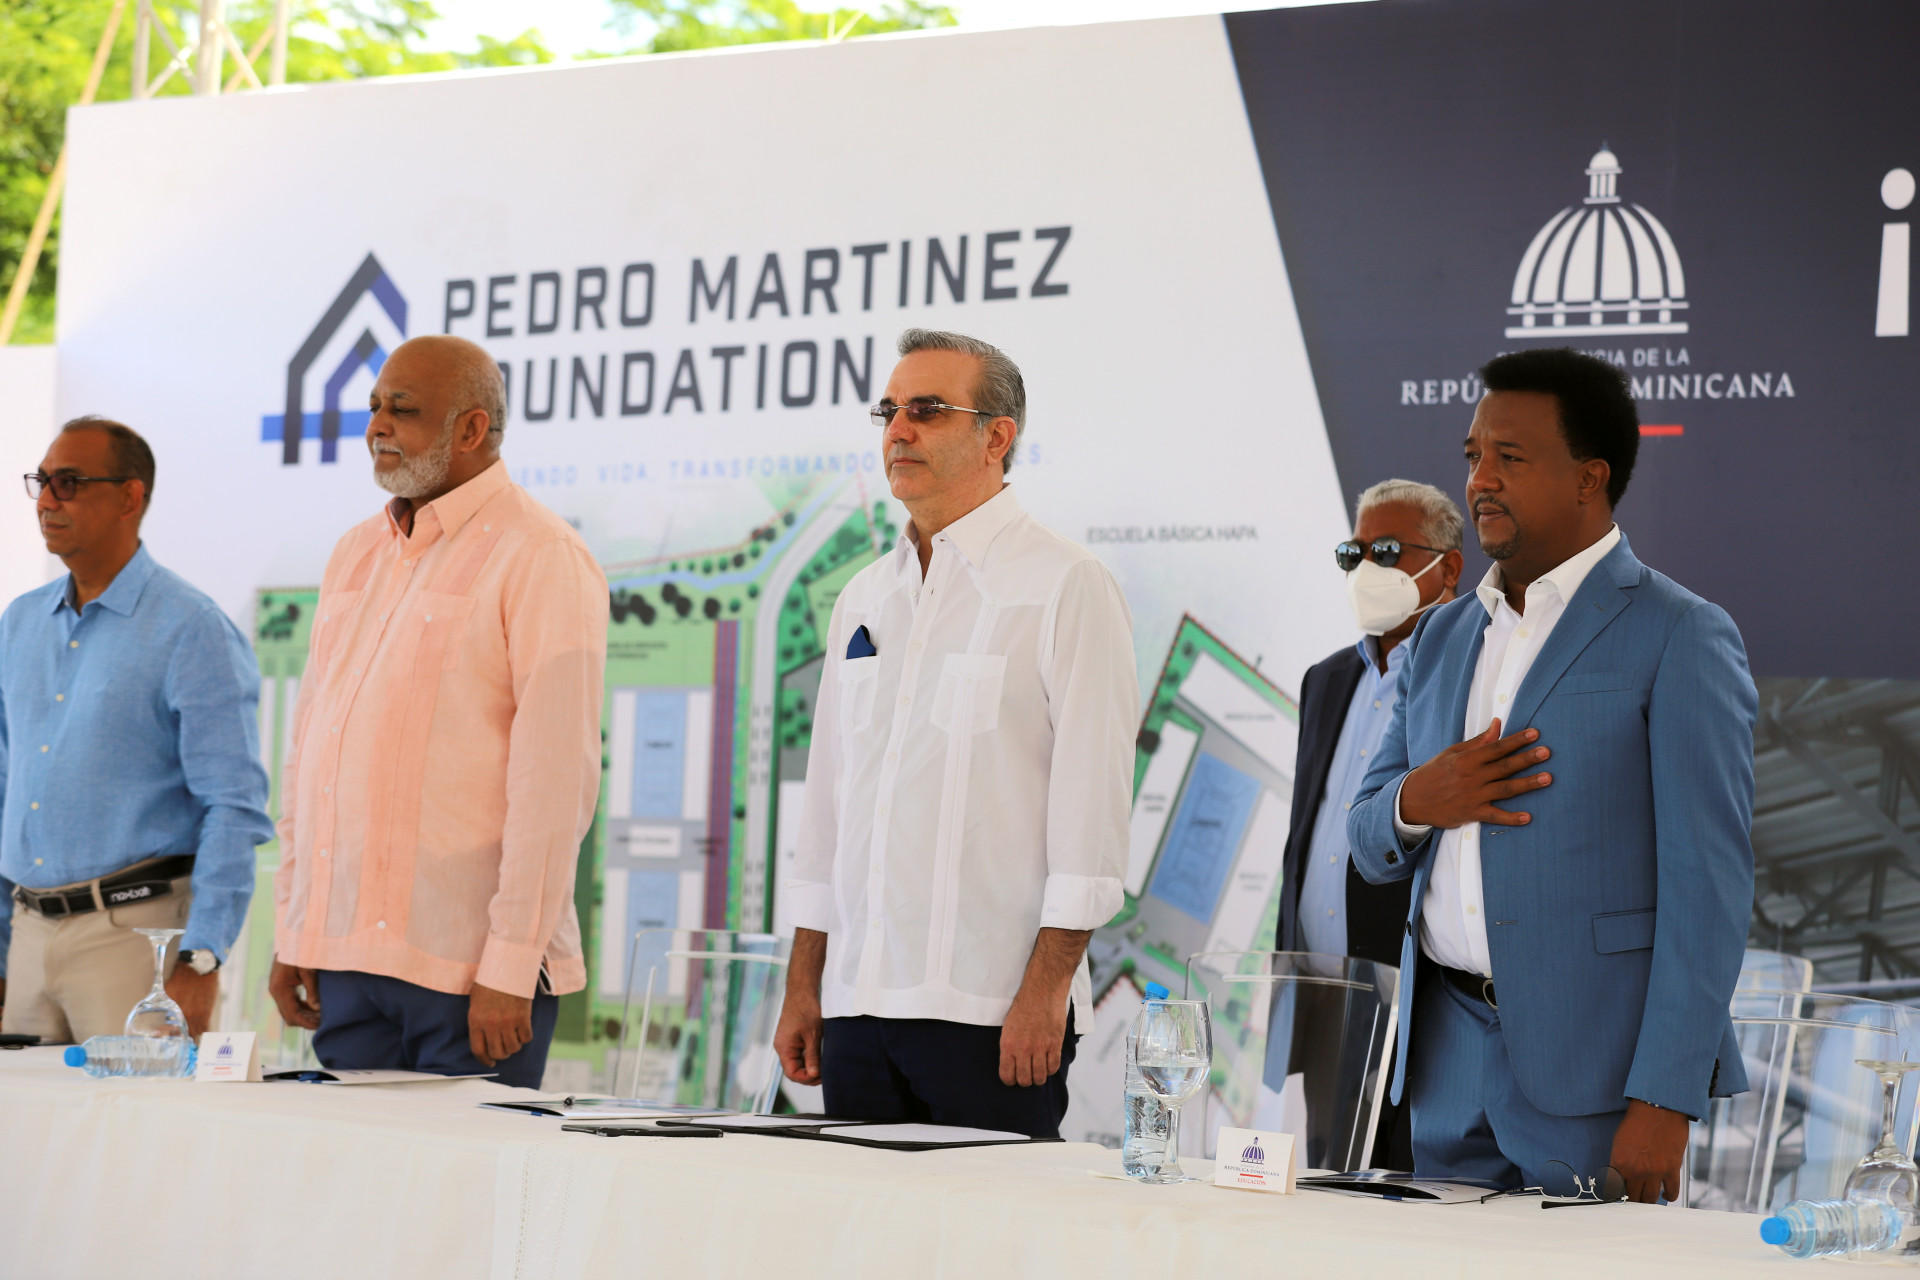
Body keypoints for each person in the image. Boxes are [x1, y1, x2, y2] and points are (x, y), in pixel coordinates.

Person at [1349, 347, 1755, 1203]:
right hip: (1443, 1068)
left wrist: (1666, 1095)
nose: (1480, 481)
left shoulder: (1681, 633)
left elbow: (1708, 889)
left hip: (1598, 1084)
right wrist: (1421, 799)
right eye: (1473, 456)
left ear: (1588, 478)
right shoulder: (1440, 636)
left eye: (1511, 457)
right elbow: (1366, 834)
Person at [772, 329, 1137, 1138]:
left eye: (927, 410)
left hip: (993, 1016)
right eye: (889, 411)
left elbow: (1092, 822)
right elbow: (829, 811)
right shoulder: (863, 596)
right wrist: (805, 985)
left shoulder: (1067, 584)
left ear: (996, 437)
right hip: (855, 1009)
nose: (898, 430)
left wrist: (1045, 993)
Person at [267, 336, 607, 1089]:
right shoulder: (355, 553)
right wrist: (296, 929)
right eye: (374, 408)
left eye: (403, 410)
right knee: (348, 1170)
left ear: (471, 429)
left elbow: (554, 783)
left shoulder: (541, 553)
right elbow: (312, 755)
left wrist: (511, 965)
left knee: (462, 1172)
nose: (377, 428)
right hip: (343, 963)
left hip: (470, 975)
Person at [0, 417, 271, 1043]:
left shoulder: (192, 628)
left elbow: (233, 807)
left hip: (136, 938)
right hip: (27, 933)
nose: (46, 500)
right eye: (42, 481)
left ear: (130, 497)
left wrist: (200, 959)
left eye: (69, 483)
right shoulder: (19, 623)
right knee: (20, 1112)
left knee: (129, 1110)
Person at [1273, 479, 1461, 1170]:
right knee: (1331, 1189)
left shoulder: (1466, 675)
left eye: (1386, 551)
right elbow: (1306, 834)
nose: (1366, 570)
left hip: (1420, 1004)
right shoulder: (1325, 679)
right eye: (1353, 554)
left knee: (1409, 1191)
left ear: (1448, 566)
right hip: (1322, 993)